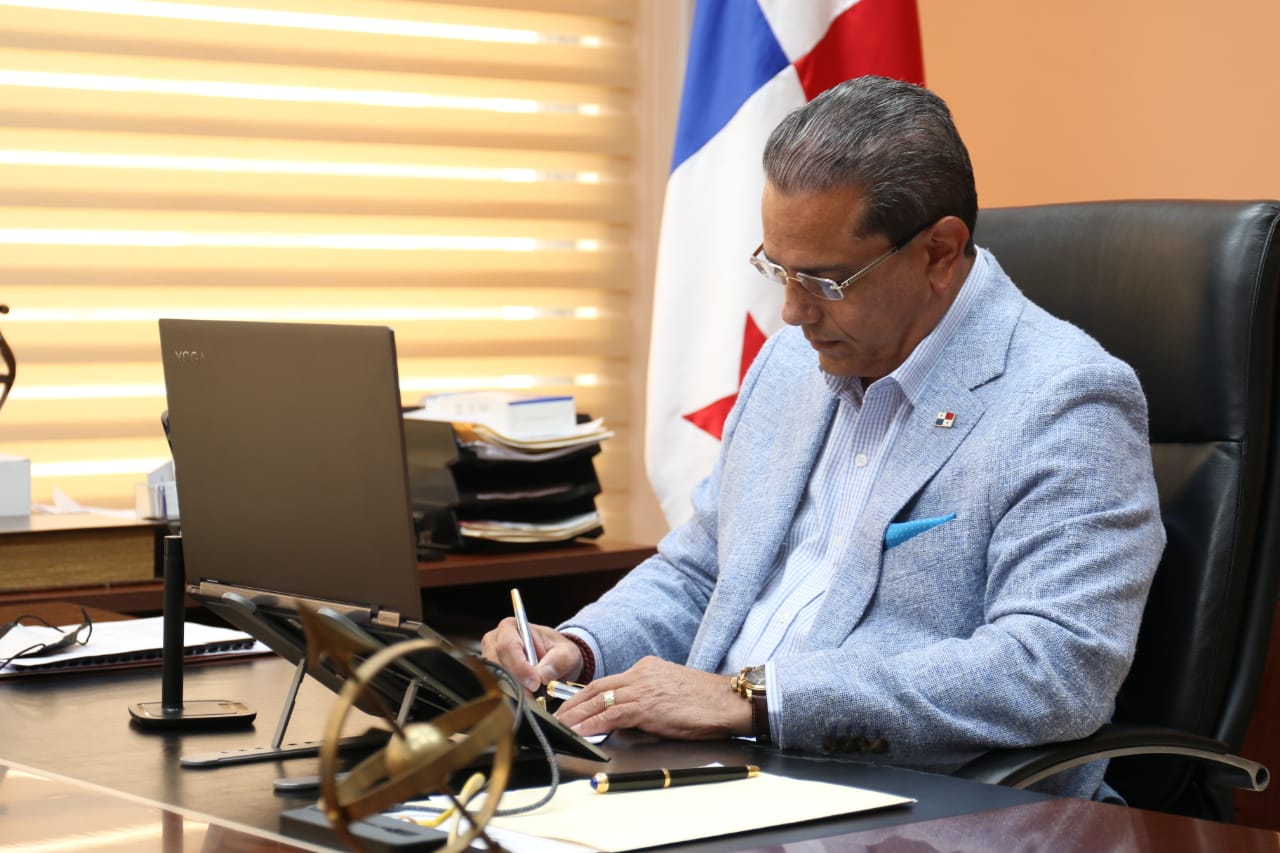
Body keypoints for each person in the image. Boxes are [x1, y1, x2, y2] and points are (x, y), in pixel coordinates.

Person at [481, 75, 1165, 800]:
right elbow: (703, 571)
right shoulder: (790, 364)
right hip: (718, 776)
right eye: (777, 269)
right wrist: (580, 647)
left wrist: (758, 699)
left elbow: (1053, 669)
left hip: (912, 804)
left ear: (939, 252)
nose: (791, 311)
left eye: (826, 281)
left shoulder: (1066, 399)